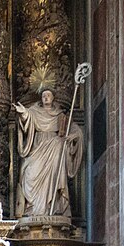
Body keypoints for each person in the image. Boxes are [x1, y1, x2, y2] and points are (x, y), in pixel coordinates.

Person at [13, 86, 83, 218]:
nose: (46, 97)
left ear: (53, 98)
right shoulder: (34, 111)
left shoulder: (60, 115)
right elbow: (27, 118)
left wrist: (73, 136)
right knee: (28, 172)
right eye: (44, 95)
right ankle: (33, 209)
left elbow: (75, 130)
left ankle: (54, 206)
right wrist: (23, 112)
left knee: (57, 156)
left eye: (48, 95)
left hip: (54, 147)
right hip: (38, 147)